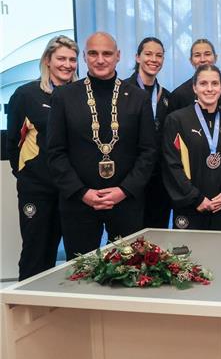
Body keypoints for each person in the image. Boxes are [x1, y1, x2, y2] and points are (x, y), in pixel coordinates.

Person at [47, 32, 157, 259]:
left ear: (118, 56)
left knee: (129, 269)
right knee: (79, 270)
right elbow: (55, 152)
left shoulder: (138, 98)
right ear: (84, 57)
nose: (100, 60)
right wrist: (82, 192)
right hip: (79, 202)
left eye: (107, 54)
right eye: (93, 54)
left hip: (126, 201)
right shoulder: (64, 97)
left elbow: (148, 151)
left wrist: (124, 190)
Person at [7, 36, 78, 280]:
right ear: (48, 60)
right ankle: (26, 302)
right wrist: (28, 176)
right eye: (61, 58)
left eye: (72, 60)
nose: (67, 65)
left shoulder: (80, 96)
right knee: (36, 253)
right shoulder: (26, 95)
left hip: (71, 190)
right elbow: (13, 143)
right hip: (37, 190)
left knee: (76, 256)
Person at [162, 64, 221, 230]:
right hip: (190, 208)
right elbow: (171, 166)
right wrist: (196, 198)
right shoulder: (176, 120)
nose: (209, 89)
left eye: (215, 83)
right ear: (194, 88)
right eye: (203, 83)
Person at [124, 37, 172, 228]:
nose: (154, 59)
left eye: (159, 55)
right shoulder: (121, 92)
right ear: (137, 57)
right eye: (148, 54)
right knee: (128, 235)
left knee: (157, 233)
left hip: (159, 179)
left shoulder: (167, 97)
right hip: (129, 177)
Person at [170, 39, 219, 110]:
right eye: (197, 55)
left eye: (207, 54)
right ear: (191, 61)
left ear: (215, 58)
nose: (202, 59)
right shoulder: (179, 95)